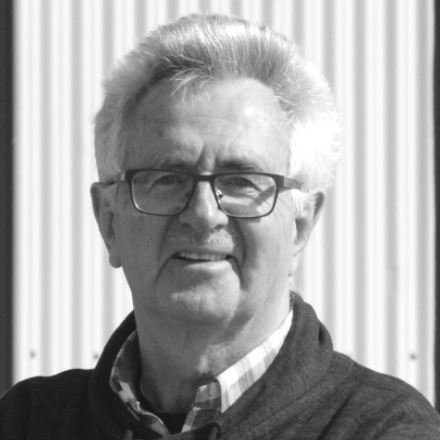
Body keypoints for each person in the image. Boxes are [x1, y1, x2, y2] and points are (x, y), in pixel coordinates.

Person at [1, 13, 439, 440]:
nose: (204, 213)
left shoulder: (383, 429)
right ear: (109, 221)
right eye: (167, 178)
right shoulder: (27, 422)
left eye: (242, 181)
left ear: (300, 226)